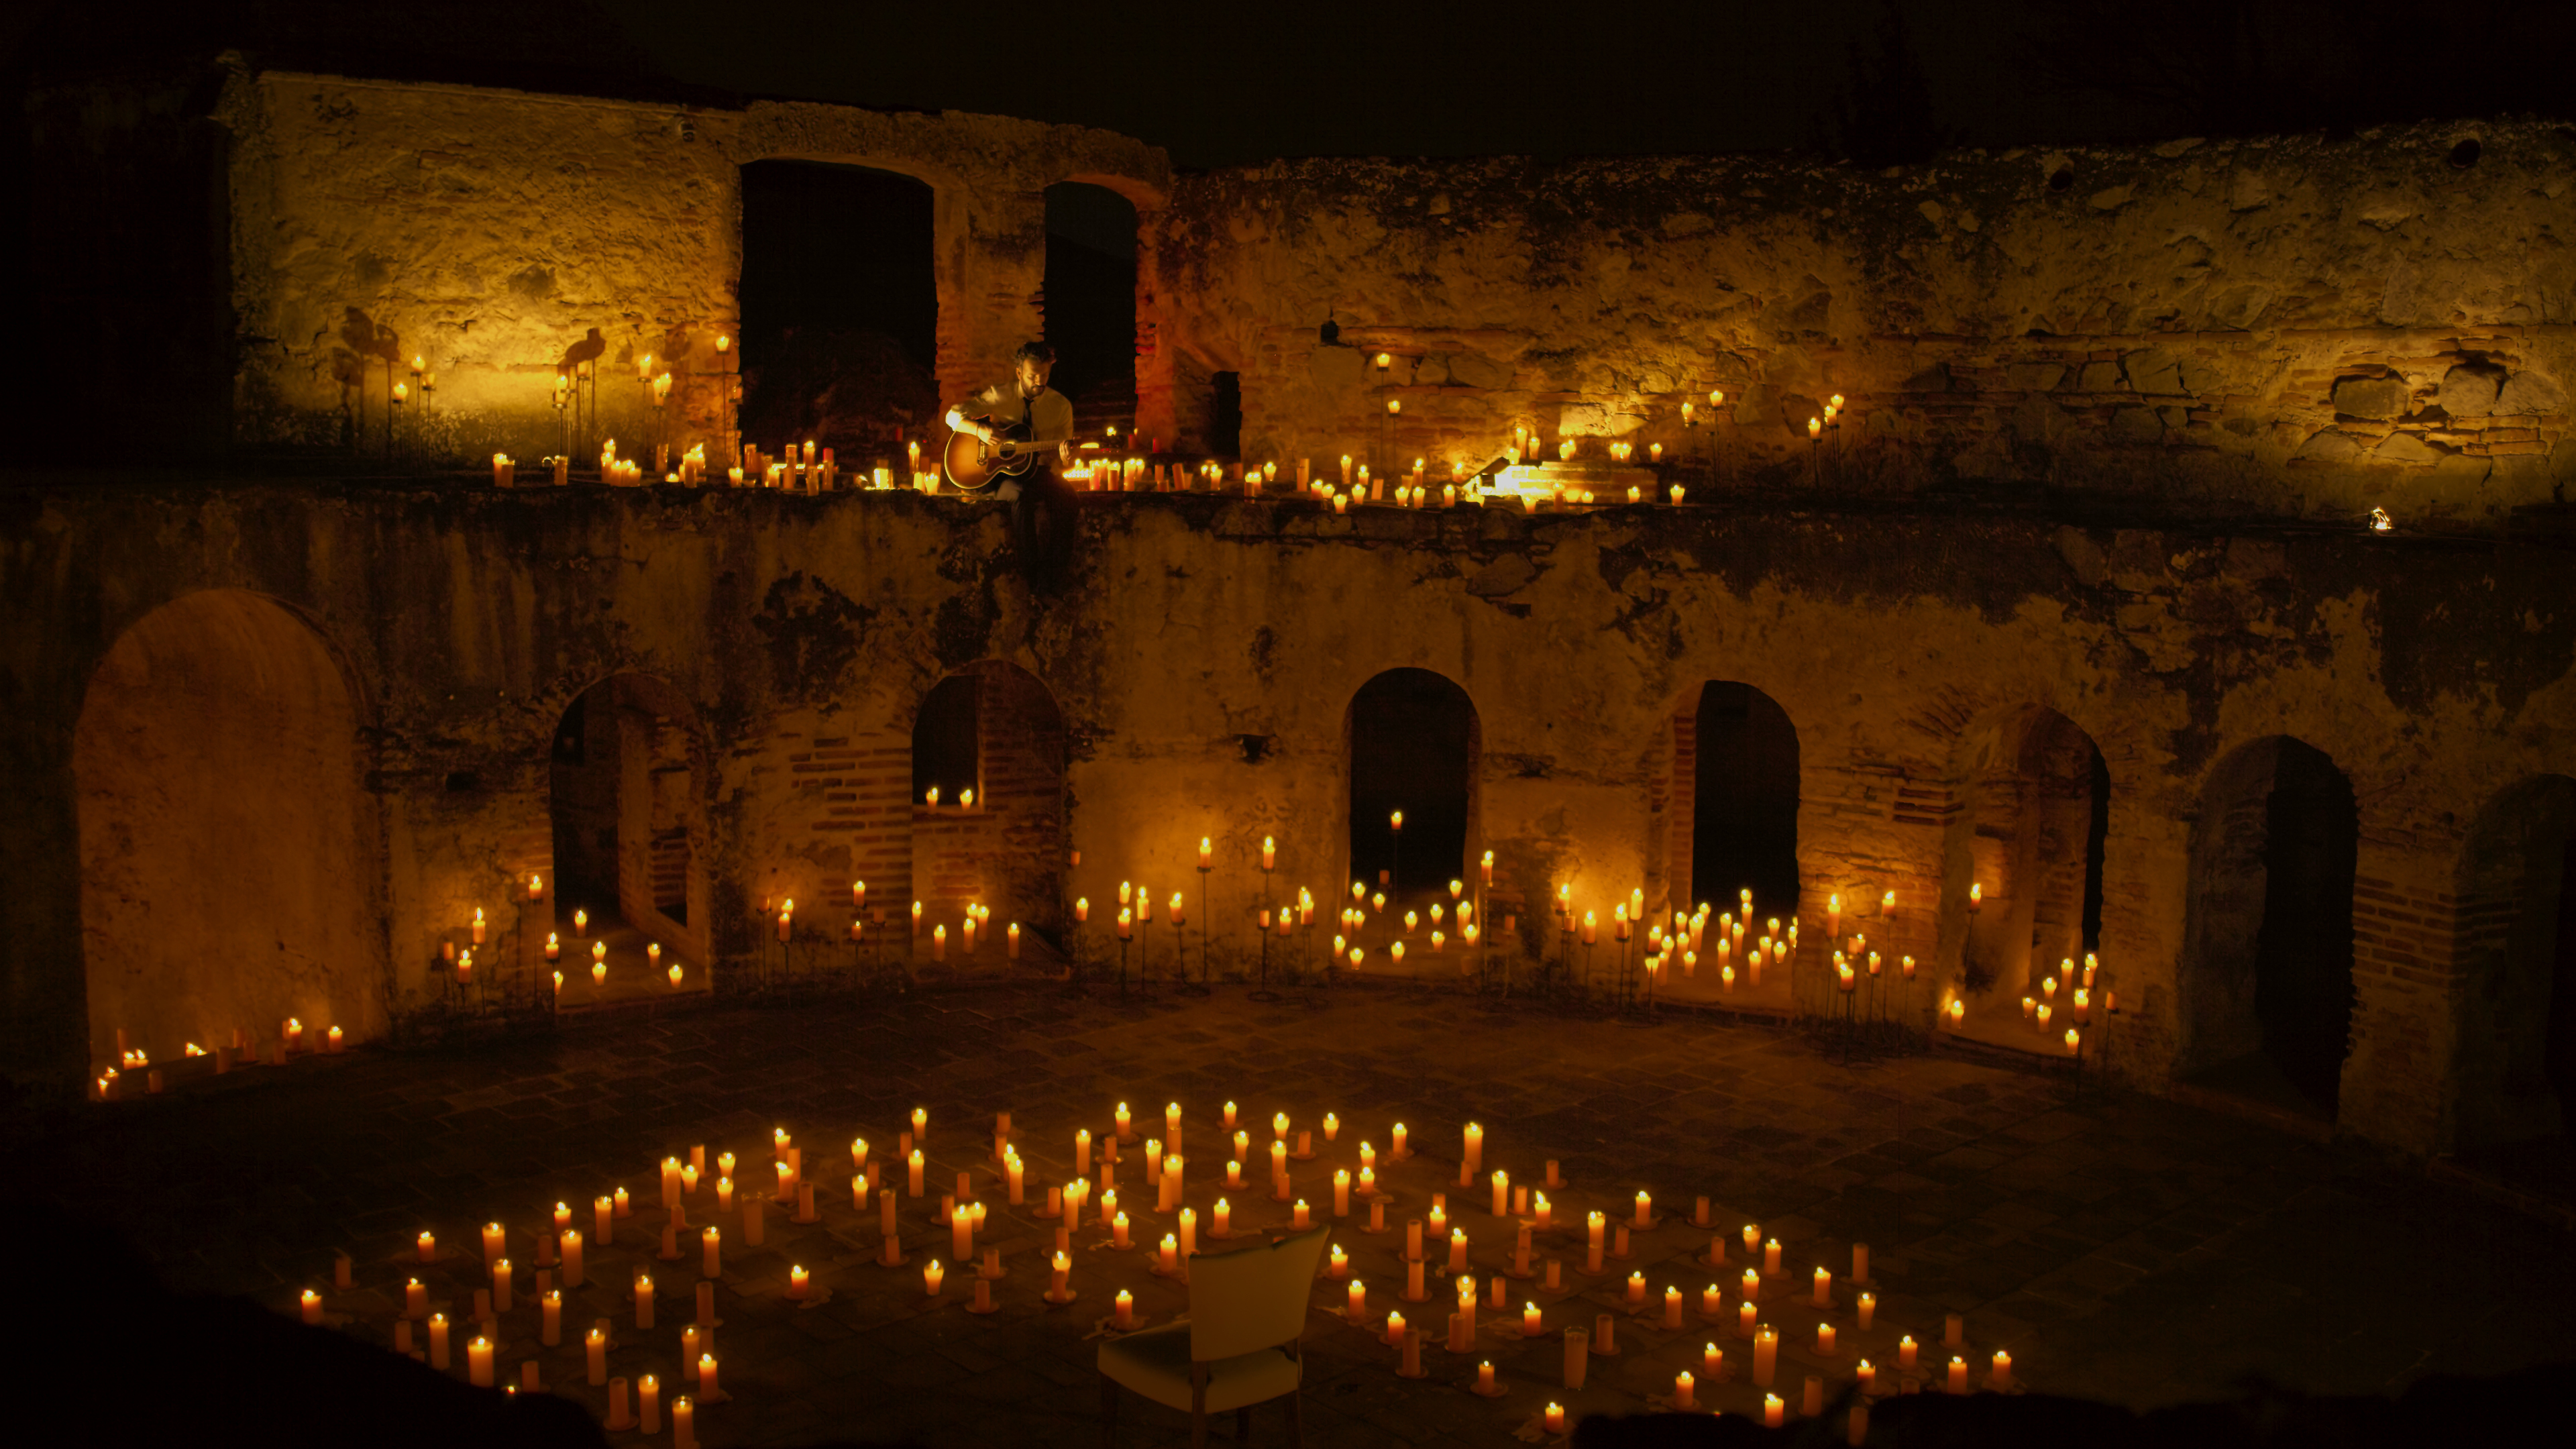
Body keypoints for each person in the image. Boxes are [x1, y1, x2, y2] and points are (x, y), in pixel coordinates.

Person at [944, 341, 1079, 594]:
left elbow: (1063, 459)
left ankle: (1053, 574)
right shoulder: (1000, 395)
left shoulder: (1061, 407)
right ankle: (1032, 576)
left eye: (1045, 376)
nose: (1039, 382)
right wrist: (979, 430)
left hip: (1039, 471)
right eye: (1032, 376)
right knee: (1018, 495)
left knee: (1068, 499)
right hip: (1000, 474)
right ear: (1019, 373)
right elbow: (952, 416)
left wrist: (1066, 457)